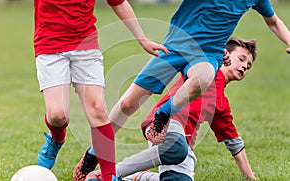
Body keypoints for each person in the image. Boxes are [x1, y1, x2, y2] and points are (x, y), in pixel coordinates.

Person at [75, 0, 290, 180]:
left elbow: (273, 21)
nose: (243, 66)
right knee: (128, 104)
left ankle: (164, 114)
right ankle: (94, 153)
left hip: (208, 55)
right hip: (176, 45)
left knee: (205, 76)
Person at [80, 37, 258, 181]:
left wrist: (250, 177)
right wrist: (218, 50)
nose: (244, 66)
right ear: (227, 55)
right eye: (241, 59)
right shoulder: (205, 70)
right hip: (163, 124)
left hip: (183, 147)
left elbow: (234, 143)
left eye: (248, 66)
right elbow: (199, 47)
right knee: (176, 148)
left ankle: (137, 178)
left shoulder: (221, 104)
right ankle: (109, 175)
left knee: (178, 168)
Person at [33, 0, 168, 181]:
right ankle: (57, 137)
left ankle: (109, 176)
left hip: (85, 47)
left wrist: (142, 39)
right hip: (50, 46)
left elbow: (118, 3)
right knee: (58, 115)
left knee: (97, 110)